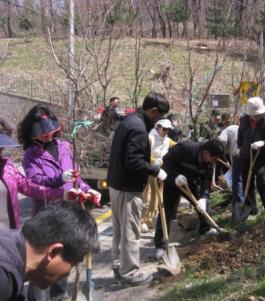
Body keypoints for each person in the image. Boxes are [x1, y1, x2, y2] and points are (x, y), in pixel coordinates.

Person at [18, 104, 101, 301]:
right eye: (42, 133)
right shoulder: (31, 155)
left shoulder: (64, 147)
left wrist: (88, 190)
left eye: (50, 131)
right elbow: (34, 184)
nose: (47, 136)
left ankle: (60, 297)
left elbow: (76, 179)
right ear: (32, 133)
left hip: (68, 216)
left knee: (63, 265)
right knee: (42, 271)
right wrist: (59, 179)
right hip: (46, 217)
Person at [107, 92, 170, 286]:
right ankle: (130, 273)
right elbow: (133, 160)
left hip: (116, 185)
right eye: (160, 115)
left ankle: (118, 267)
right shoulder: (139, 128)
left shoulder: (129, 121)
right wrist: (155, 170)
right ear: (153, 111)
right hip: (128, 188)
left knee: (119, 231)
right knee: (131, 233)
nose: (161, 120)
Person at [0, 201, 100, 301]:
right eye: (72, 266)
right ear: (54, 252)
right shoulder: (4, 278)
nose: (68, 273)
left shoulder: (11, 243)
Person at [0, 118, 81, 230]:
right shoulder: (30, 155)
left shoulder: (7, 168)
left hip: (9, 234)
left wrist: (63, 194)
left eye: (2, 146)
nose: (1, 150)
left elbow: (30, 187)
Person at [154, 139, 225, 259]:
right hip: (172, 181)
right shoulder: (186, 148)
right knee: (167, 211)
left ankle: (205, 229)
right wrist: (175, 176)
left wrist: (203, 197)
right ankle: (160, 246)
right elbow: (166, 160)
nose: (214, 162)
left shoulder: (210, 164)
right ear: (206, 153)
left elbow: (206, 182)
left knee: (204, 205)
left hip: (190, 183)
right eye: (213, 158)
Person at [237, 97, 265, 220]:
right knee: (247, 183)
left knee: (261, 181)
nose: (256, 117)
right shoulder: (244, 120)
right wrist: (239, 147)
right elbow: (240, 135)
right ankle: (251, 209)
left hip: (260, 156)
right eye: (254, 115)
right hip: (245, 155)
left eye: (258, 115)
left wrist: (263, 143)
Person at [217, 124, 244, 223]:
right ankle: (250, 207)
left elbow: (222, 141)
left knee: (237, 181)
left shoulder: (225, 131)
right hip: (245, 151)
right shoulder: (235, 129)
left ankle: (239, 208)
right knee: (243, 179)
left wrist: (221, 152)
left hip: (238, 152)